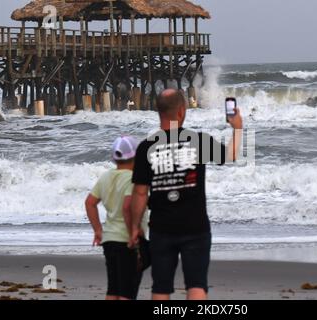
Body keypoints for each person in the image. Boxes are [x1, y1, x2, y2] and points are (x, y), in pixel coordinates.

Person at [129, 89, 243, 300]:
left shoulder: (146, 148)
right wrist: (237, 128)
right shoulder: (198, 140)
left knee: (161, 287)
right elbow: (230, 156)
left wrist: (135, 227)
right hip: (195, 225)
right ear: (182, 111)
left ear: (158, 111)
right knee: (197, 285)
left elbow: (140, 193)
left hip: (161, 227)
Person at [85, 136, 148, 300]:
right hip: (126, 240)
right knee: (128, 290)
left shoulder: (106, 176)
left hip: (109, 239)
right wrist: (134, 231)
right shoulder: (133, 178)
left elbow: (90, 203)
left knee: (113, 289)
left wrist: (98, 230)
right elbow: (127, 207)